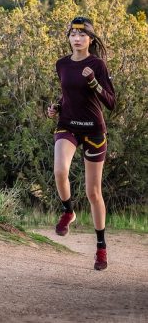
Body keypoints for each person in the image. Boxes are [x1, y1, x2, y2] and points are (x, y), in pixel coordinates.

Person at [47, 16, 116, 271]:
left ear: (90, 38)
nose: (77, 39)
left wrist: (94, 82)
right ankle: (68, 211)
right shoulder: (61, 64)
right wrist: (54, 108)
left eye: (82, 35)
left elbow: (111, 102)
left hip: (94, 131)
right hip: (68, 125)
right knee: (60, 170)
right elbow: (67, 94)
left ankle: (101, 248)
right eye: (73, 35)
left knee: (93, 193)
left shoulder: (97, 64)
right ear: (68, 37)